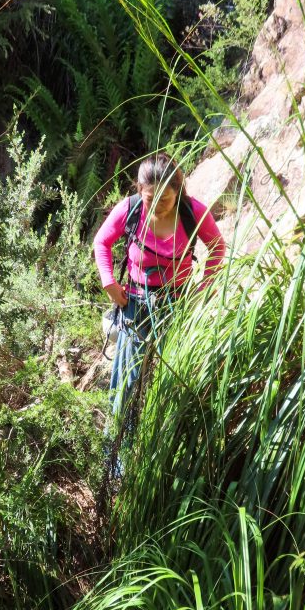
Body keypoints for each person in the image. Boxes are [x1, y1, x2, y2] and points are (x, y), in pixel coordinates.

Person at [93, 151, 225, 439]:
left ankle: (157, 444)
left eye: (165, 199)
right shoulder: (131, 209)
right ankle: (115, 458)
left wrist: (204, 288)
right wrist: (109, 283)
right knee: (127, 383)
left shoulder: (193, 213)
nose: (158, 206)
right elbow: (101, 241)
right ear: (141, 190)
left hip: (176, 305)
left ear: (178, 192)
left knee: (169, 381)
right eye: (151, 198)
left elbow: (217, 247)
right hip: (135, 304)